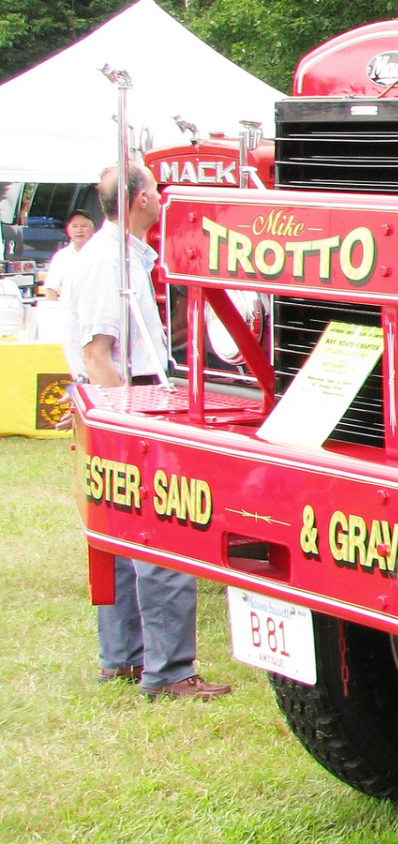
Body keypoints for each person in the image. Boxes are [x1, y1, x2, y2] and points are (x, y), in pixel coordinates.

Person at [67, 164, 232, 701]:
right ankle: (167, 672)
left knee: (119, 538)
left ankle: (126, 659)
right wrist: (124, 422)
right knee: (162, 537)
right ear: (139, 200)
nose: (162, 199)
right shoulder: (107, 263)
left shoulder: (127, 258)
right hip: (129, 406)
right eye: (156, 192)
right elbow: (98, 355)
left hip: (127, 403)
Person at [38, 209, 95, 369]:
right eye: (75, 226)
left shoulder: (99, 254)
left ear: (93, 229)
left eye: (84, 226)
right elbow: (50, 288)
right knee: (76, 363)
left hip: (96, 317)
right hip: (71, 319)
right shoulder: (62, 257)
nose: (79, 230)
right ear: (68, 230)